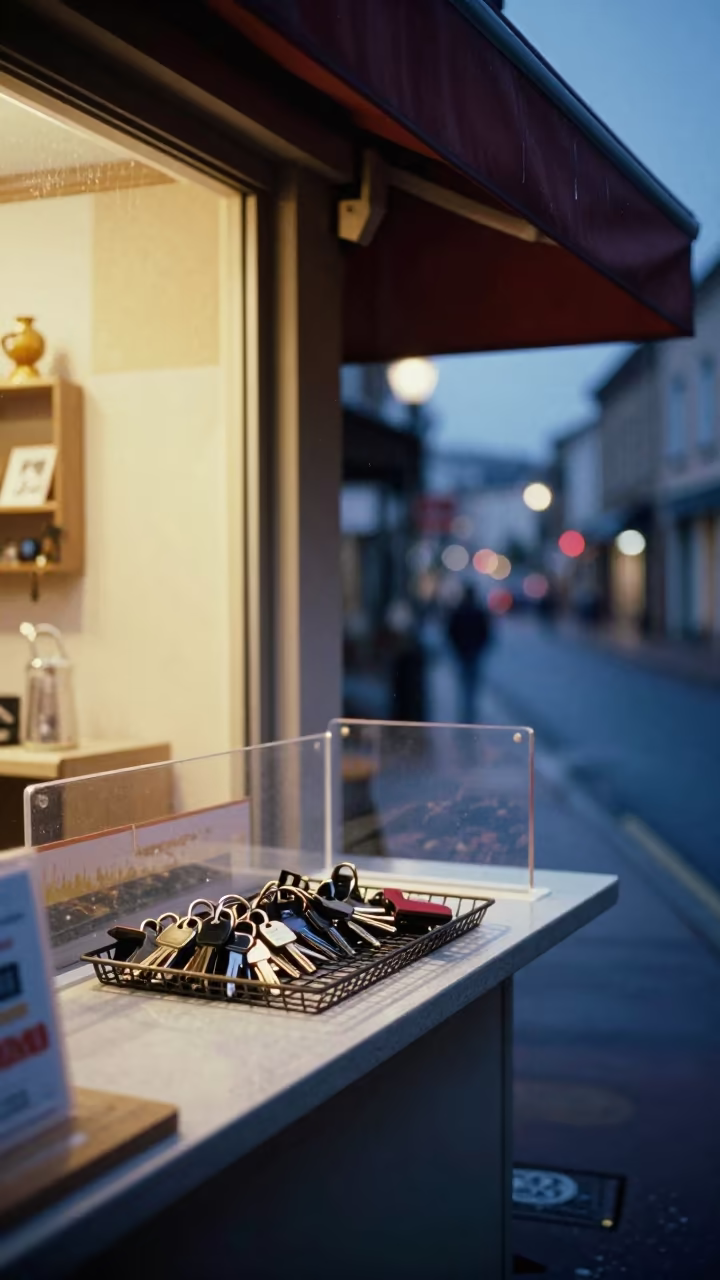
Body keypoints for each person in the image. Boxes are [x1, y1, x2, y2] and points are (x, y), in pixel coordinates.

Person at [447, 585, 491, 723]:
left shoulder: (459, 611)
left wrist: (458, 648)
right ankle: (469, 714)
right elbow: (486, 633)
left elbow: (451, 632)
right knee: (471, 686)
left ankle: (466, 714)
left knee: (464, 685)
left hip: (465, 653)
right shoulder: (477, 612)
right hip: (472, 653)